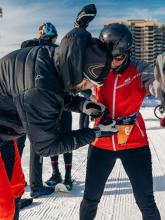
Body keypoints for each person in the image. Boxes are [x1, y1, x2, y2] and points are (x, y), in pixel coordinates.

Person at [0, 4, 117, 220]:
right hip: (5, 129)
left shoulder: (53, 56)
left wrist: (82, 105)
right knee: (3, 207)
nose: (86, 88)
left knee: (16, 186)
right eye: (87, 83)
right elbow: (46, 146)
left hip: (6, 132)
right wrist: (96, 133)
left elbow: (56, 93)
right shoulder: (37, 92)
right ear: (77, 71)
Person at [79, 23, 165, 220]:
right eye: (109, 58)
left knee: (145, 200)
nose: (113, 63)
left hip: (134, 143)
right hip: (102, 141)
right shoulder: (99, 67)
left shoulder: (139, 67)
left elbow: (153, 83)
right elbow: (79, 83)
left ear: (127, 52)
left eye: (118, 57)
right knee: (91, 198)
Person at [19, 22, 59, 199]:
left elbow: (24, 46)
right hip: (38, 102)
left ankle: (15, 180)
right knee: (38, 143)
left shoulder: (28, 48)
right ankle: (36, 186)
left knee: (16, 141)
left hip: (17, 98)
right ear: (54, 37)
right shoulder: (53, 51)